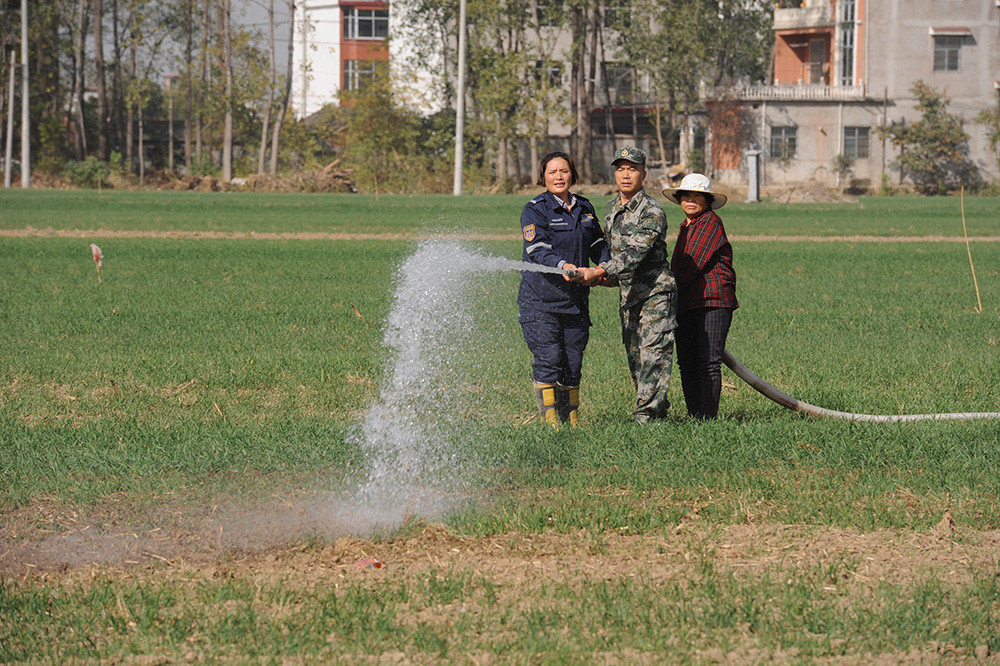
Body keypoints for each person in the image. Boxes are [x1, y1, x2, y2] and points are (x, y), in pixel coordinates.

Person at [578, 146, 677, 423]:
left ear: (644, 174)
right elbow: (614, 254)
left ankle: (646, 415)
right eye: (620, 169)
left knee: (653, 353)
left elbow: (633, 255)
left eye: (632, 169)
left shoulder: (652, 211)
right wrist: (602, 277)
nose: (625, 174)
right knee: (635, 356)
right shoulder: (611, 209)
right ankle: (656, 411)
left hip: (656, 292)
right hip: (629, 293)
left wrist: (597, 271)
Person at [518, 151, 610, 426]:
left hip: (576, 300)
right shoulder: (535, 209)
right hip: (541, 301)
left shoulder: (584, 207)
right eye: (552, 172)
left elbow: (598, 245)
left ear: (573, 175)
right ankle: (551, 424)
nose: (559, 177)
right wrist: (563, 266)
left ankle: (572, 421)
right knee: (549, 359)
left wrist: (603, 265)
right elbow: (537, 249)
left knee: (573, 362)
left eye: (564, 171)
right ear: (543, 177)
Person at [662, 173, 738, 419]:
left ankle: (707, 418)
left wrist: (663, 291)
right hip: (687, 302)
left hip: (712, 302)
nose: (691, 200)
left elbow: (690, 266)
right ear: (680, 199)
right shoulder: (686, 227)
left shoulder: (709, 223)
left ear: (707, 201)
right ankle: (695, 417)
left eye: (698, 196)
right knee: (687, 362)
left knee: (708, 362)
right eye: (687, 196)